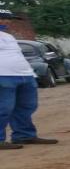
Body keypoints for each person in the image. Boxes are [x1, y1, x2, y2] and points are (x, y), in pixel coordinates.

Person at [0, 13, 57, 149]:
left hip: (25, 74)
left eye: (8, 19)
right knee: (3, 108)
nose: (6, 22)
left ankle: (24, 135)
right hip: (3, 76)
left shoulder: (9, 37)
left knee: (26, 106)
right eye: (2, 19)